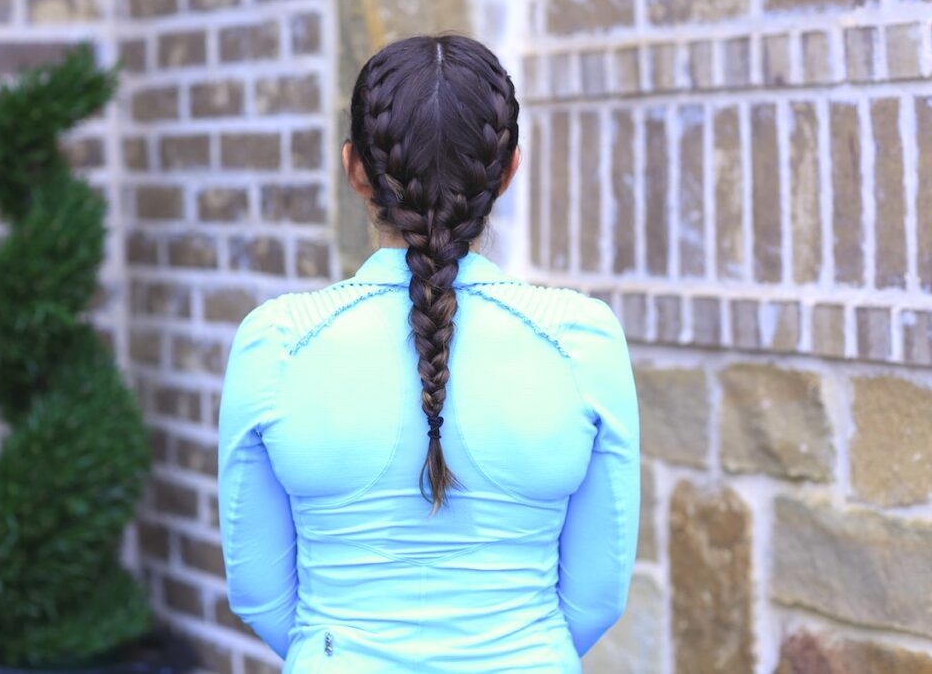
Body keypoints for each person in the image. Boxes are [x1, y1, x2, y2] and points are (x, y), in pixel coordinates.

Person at [217, 33, 640, 673]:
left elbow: (259, 594)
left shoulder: (275, 343)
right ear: (508, 170)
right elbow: (597, 597)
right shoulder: (581, 340)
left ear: (355, 167)